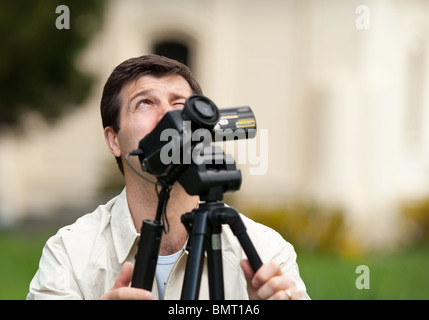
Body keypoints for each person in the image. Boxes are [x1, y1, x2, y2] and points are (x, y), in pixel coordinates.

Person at [27, 54, 309, 300]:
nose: (167, 116)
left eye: (180, 105)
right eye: (145, 103)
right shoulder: (70, 254)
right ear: (114, 141)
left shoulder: (267, 252)